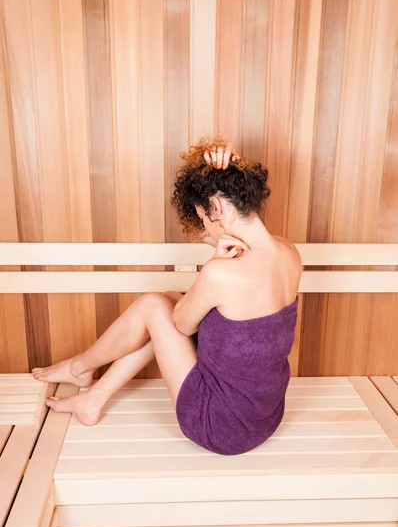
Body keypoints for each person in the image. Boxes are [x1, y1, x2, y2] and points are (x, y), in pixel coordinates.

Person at [32, 137, 303, 456]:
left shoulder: (221, 273)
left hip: (221, 426)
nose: (206, 230)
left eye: (204, 220)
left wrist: (211, 264)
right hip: (264, 416)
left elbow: (181, 325)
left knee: (154, 306)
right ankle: (92, 398)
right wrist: (231, 169)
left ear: (215, 208)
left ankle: (80, 369)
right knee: (171, 299)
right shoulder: (289, 252)